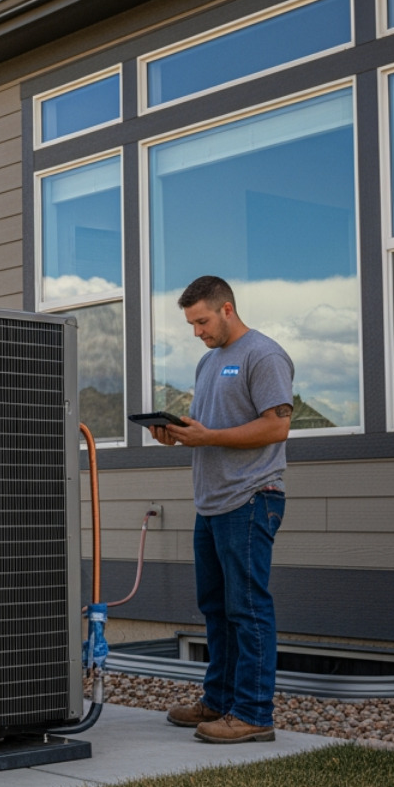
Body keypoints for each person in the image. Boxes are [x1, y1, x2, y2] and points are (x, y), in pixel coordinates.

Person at [149, 276, 293, 744]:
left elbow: (276, 428)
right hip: (211, 503)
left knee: (247, 609)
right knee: (216, 608)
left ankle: (253, 714)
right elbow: (211, 430)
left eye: (202, 321)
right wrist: (179, 433)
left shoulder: (263, 355)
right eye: (191, 324)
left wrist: (207, 436)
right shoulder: (209, 363)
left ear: (226, 309)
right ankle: (219, 701)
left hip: (251, 498)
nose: (197, 332)